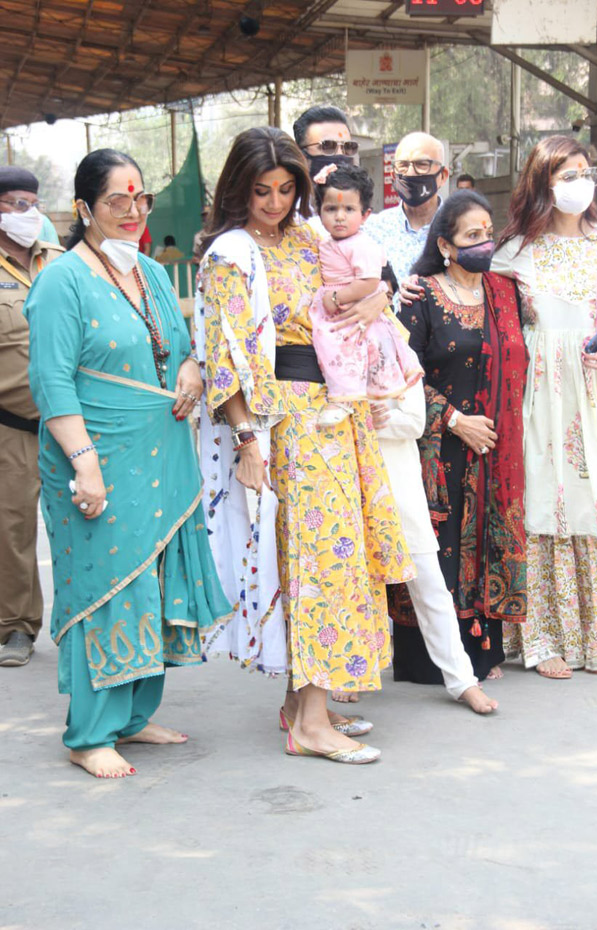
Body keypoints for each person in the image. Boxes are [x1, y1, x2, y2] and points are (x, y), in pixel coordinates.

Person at [196, 126, 414, 764]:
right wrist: (246, 439)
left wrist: (375, 299)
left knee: (328, 559)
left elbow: (364, 285)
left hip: (331, 411)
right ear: (239, 188)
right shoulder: (229, 255)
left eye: (286, 189)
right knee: (318, 565)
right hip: (279, 418)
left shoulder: (306, 238)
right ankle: (311, 723)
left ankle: (303, 705)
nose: (273, 202)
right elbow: (223, 357)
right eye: (261, 190)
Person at [23, 149, 231, 779]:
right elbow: (51, 380)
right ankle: (90, 733)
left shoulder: (151, 271)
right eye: (119, 201)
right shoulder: (61, 279)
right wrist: (84, 464)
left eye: (141, 201)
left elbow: (184, 344)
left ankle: (134, 720)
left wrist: (194, 367)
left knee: (157, 585)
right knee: (110, 590)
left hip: (163, 459)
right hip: (99, 459)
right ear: (85, 208)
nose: (134, 213)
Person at [493, 135, 597, 678]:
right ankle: (541, 638)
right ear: (541, 182)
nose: (579, 182)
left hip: (595, 392)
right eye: (565, 174)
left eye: (584, 171)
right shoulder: (514, 250)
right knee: (543, 501)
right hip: (537, 396)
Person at [397, 190, 528, 683]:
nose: (485, 243)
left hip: (494, 447)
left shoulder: (506, 292)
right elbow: (401, 376)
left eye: (488, 233)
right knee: (440, 547)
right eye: (472, 236)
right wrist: (455, 420)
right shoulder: (422, 295)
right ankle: (429, 659)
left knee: (482, 544)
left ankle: (481, 655)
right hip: (439, 447)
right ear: (447, 246)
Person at [370, 379, 498, 714]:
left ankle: (462, 681)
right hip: (346, 478)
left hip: (398, 482)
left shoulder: (398, 348)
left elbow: (414, 422)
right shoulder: (328, 341)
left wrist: (373, 419)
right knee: (353, 584)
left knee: (430, 585)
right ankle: (350, 678)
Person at [0, 166, 64, 667]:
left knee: (82, 523)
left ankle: (82, 623)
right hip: (12, 426)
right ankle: (17, 627)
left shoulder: (60, 261)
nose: (29, 213)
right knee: (14, 530)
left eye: (33, 202)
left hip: (71, 423)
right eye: (16, 203)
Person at [311, 164, 422, 425]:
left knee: (343, 350)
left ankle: (345, 399)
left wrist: (337, 299)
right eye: (331, 209)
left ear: (365, 215)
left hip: (355, 307)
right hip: (338, 305)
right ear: (319, 213)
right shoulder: (327, 241)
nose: (339, 216)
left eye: (348, 209)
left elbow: (371, 281)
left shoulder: (361, 244)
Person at [365, 131, 449, 305]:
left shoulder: (457, 229)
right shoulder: (372, 230)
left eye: (422, 164)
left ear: (443, 176)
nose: (410, 173)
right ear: (393, 176)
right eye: (402, 165)